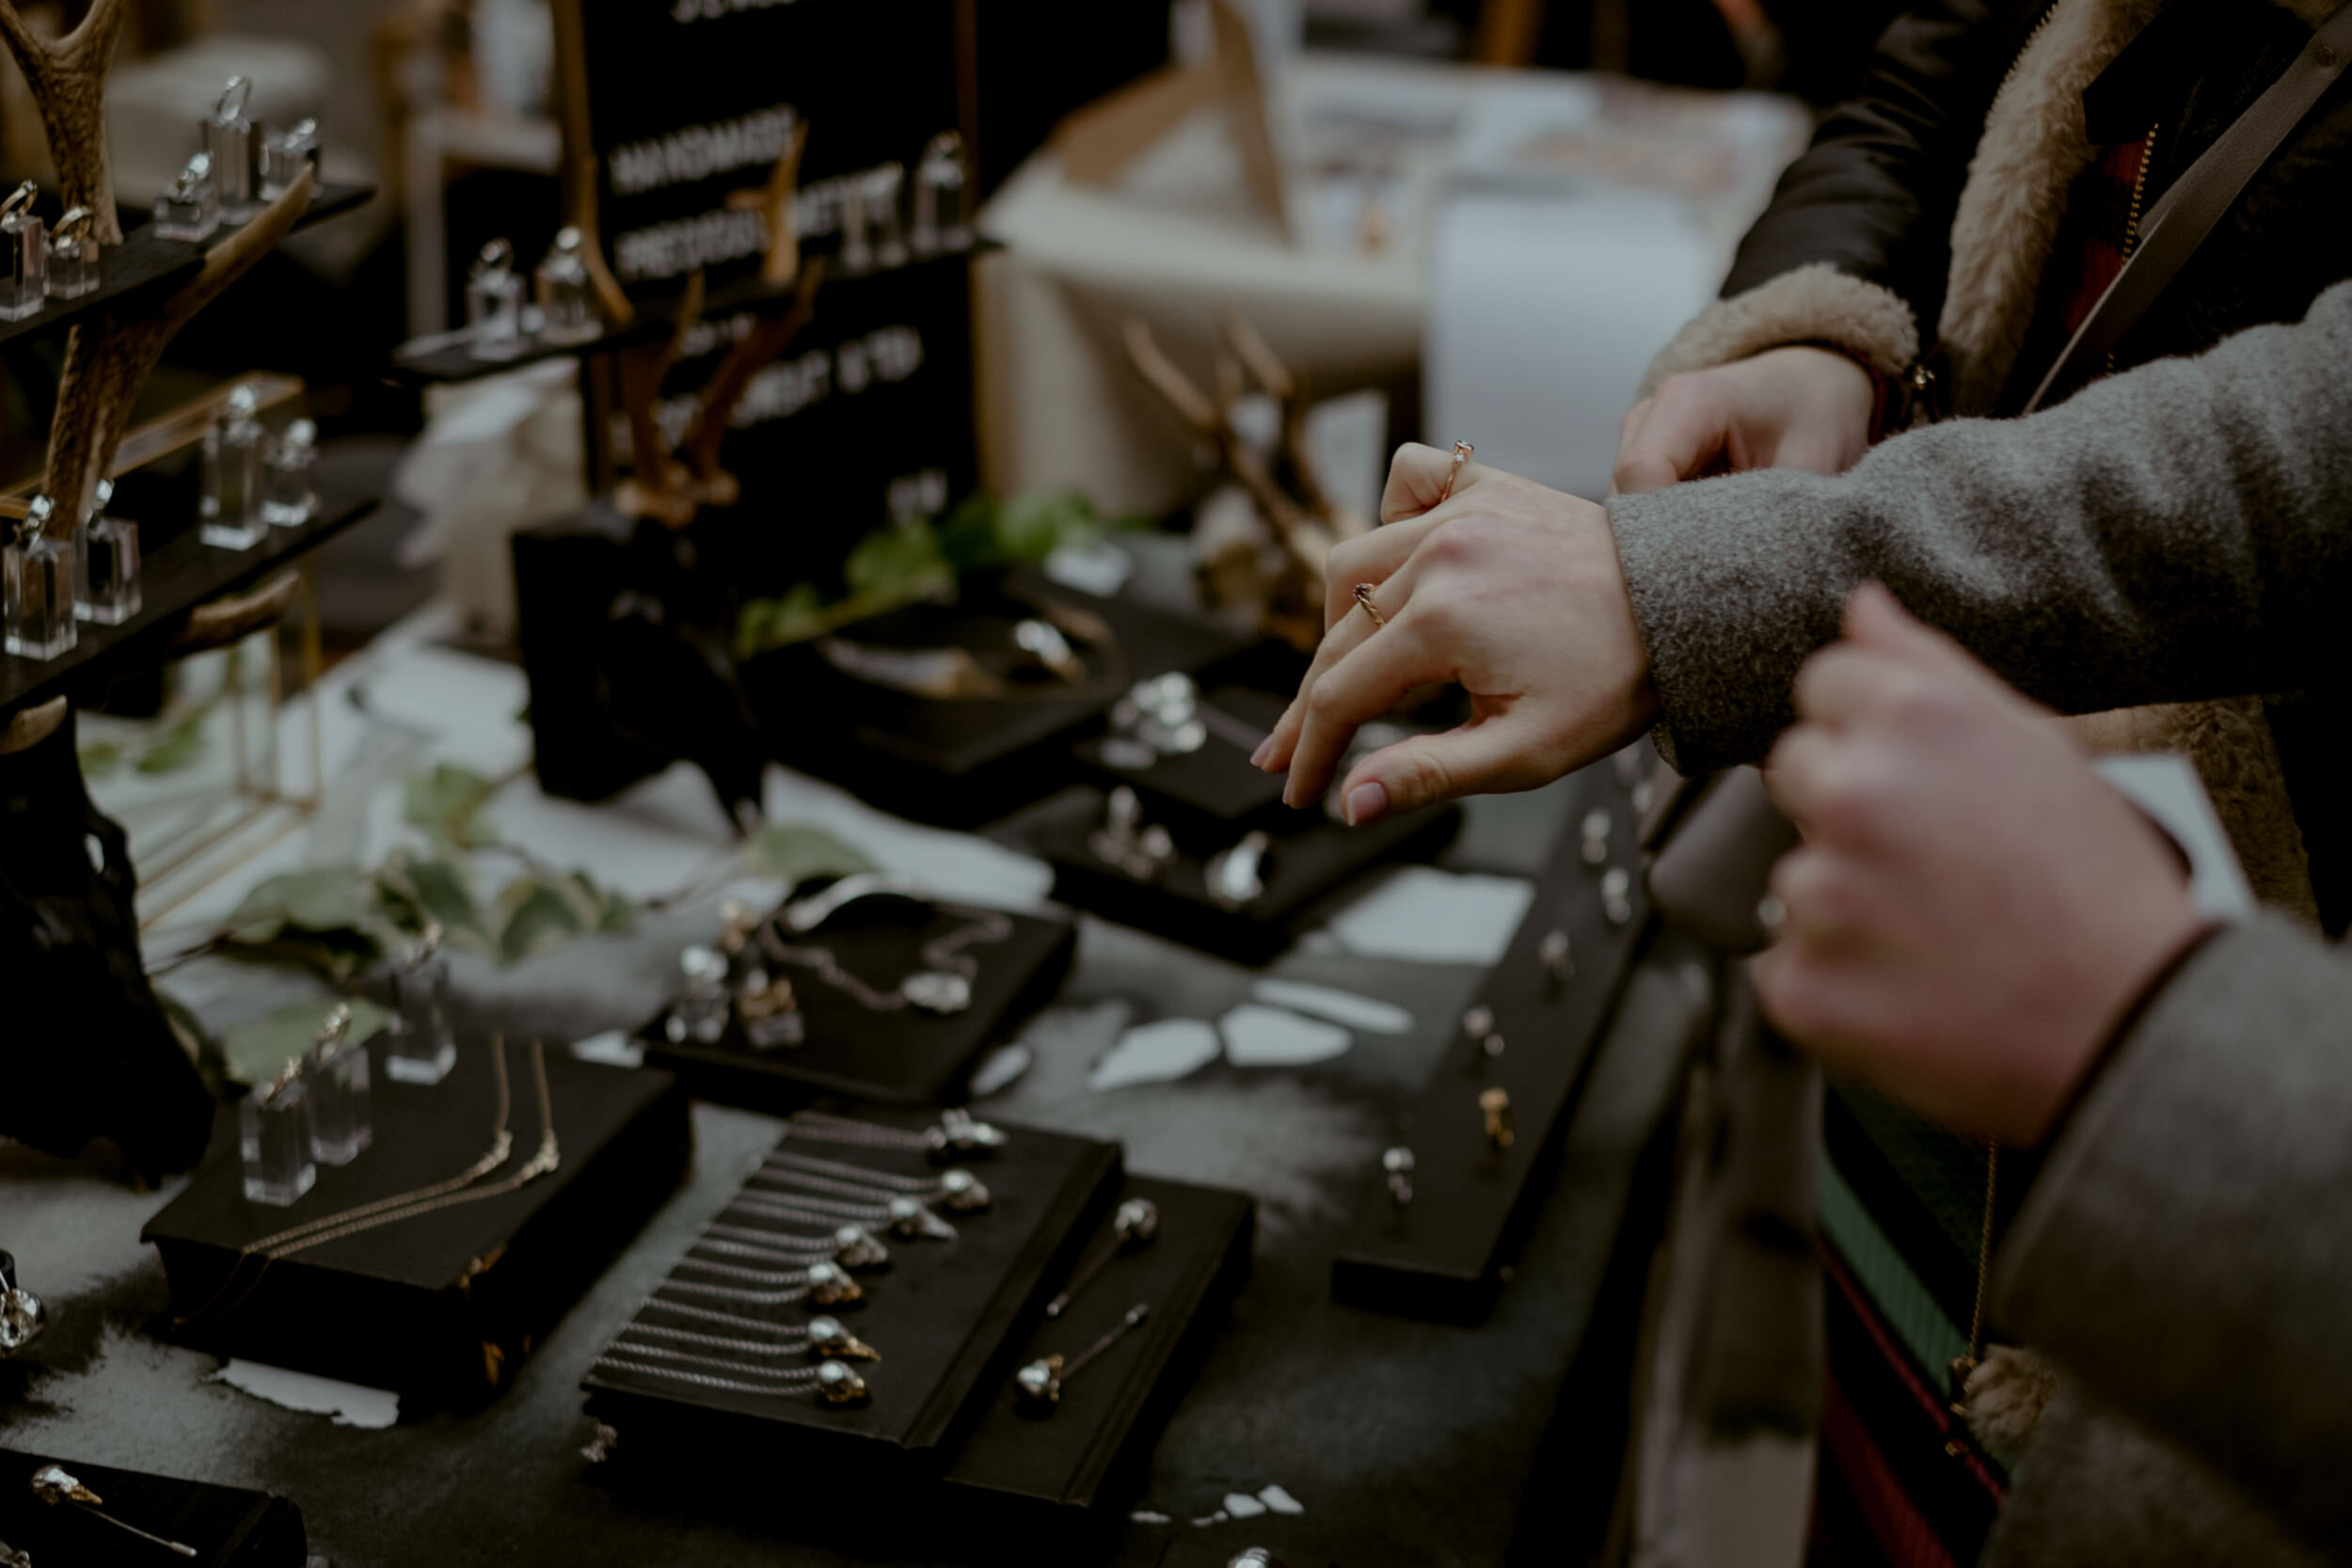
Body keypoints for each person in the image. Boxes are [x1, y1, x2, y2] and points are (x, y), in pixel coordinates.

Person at [1249, 275, 2352, 1566]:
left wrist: (2156, 1040)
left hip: (2197, 1142)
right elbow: (1922, 92)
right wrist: (1836, 342)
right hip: (1973, 1039)